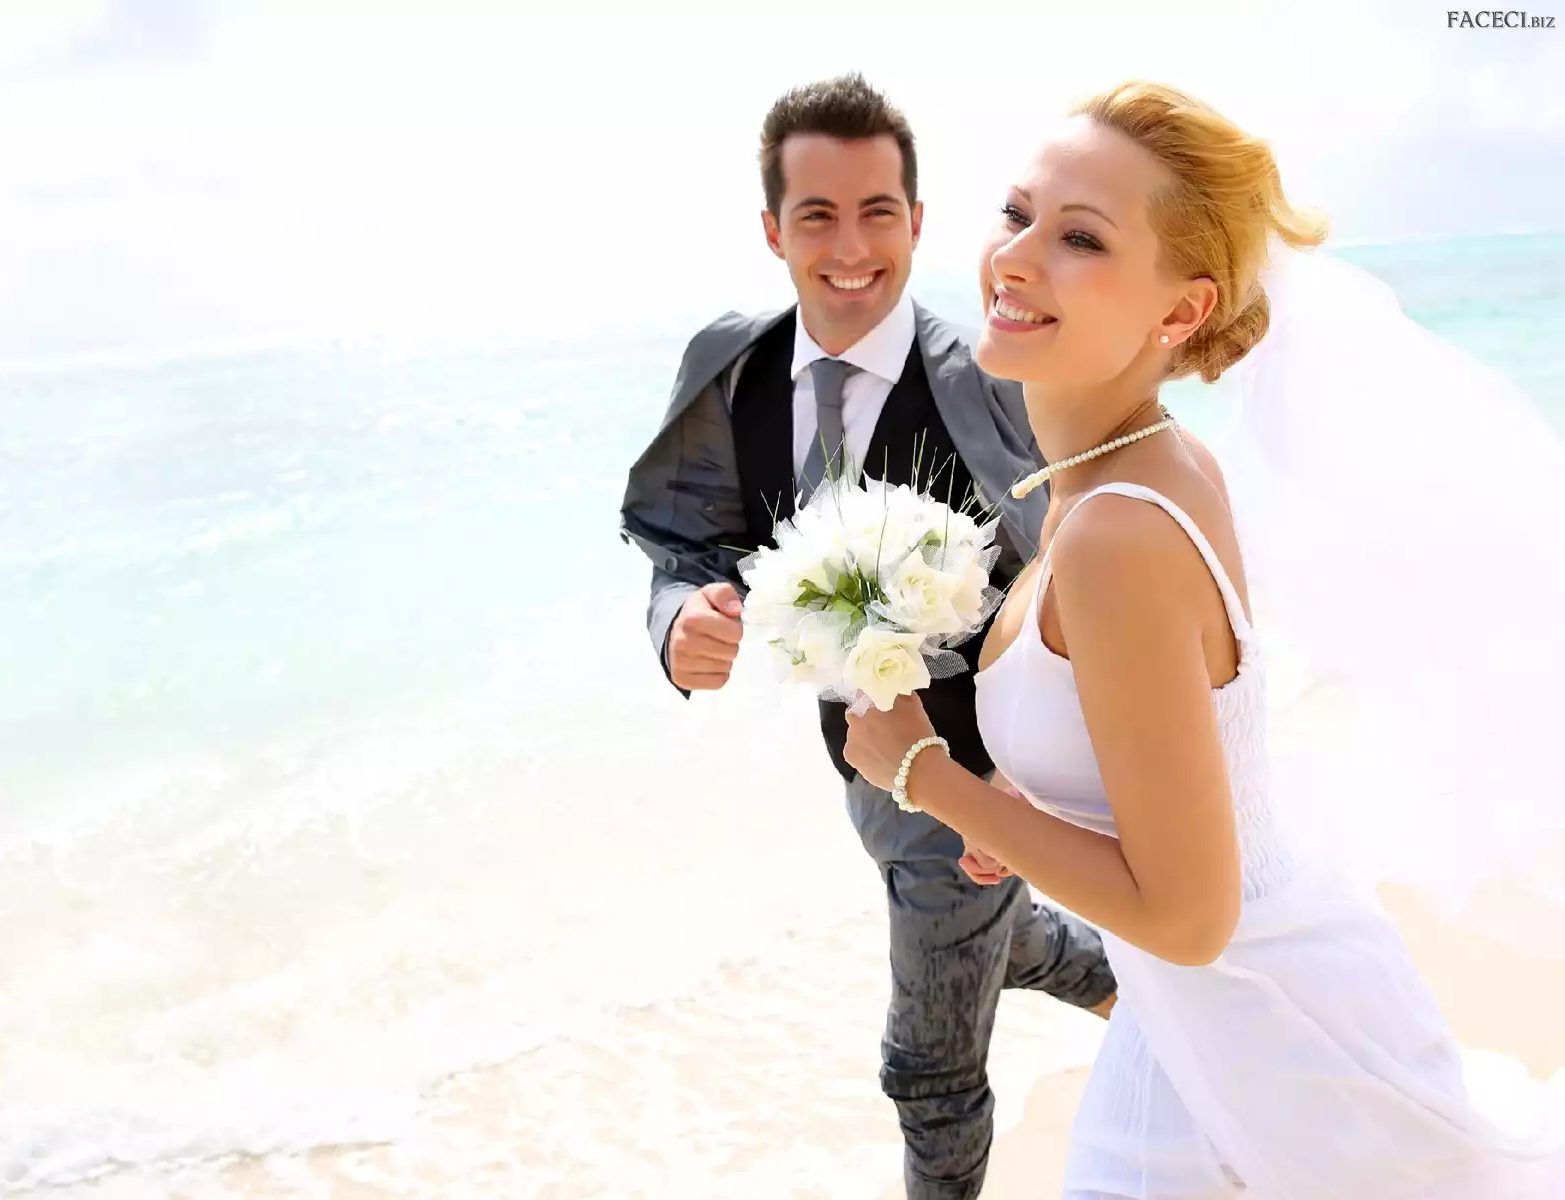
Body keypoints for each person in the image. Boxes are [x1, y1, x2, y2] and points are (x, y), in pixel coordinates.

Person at [842, 79, 1565, 1197]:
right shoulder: (1142, 467)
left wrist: (927, 777)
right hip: (1206, 1009)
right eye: (1018, 213)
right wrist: (1035, 817)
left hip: (1269, 1034)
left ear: (1182, 312)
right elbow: (1175, 763)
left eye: (1082, 238)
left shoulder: (1117, 529)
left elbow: (1187, 916)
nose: (1017, 259)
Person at [618, 74, 1116, 1199]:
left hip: (982, 781)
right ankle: (1152, 1001)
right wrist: (679, 617)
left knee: (927, 1072)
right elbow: (684, 532)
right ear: (773, 230)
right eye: (818, 216)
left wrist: (1029, 783)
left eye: (876, 212)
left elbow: (1083, 579)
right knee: (1003, 938)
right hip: (862, 770)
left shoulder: (995, 383)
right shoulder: (734, 368)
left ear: (917, 222)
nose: (850, 248)